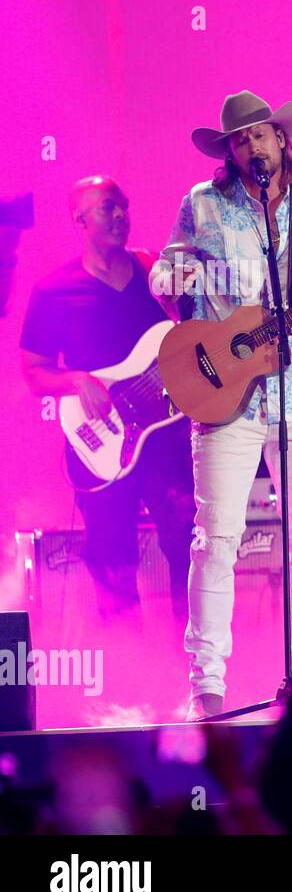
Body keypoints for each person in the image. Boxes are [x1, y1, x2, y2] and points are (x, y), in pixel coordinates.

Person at [151, 90, 292, 720]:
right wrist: (176, 280)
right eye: (239, 140)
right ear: (230, 151)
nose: (251, 147)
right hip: (224, 397)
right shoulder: (202, 205)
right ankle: (206, 683)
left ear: (280, 140)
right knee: (216, 540)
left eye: (259, 136)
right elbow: (163, 274)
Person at [19, 176, 193, 618]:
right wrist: (77, 381)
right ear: (79, 220)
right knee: (113, 557)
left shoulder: (154, 274)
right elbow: (35, 372)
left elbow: (186, 339)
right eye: (107, 207)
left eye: (124, 206)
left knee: (188, 542)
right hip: (101, 440)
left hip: (164, 435)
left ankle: (192, 662)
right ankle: (127, 667)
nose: (120, 215)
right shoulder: (53, 291)